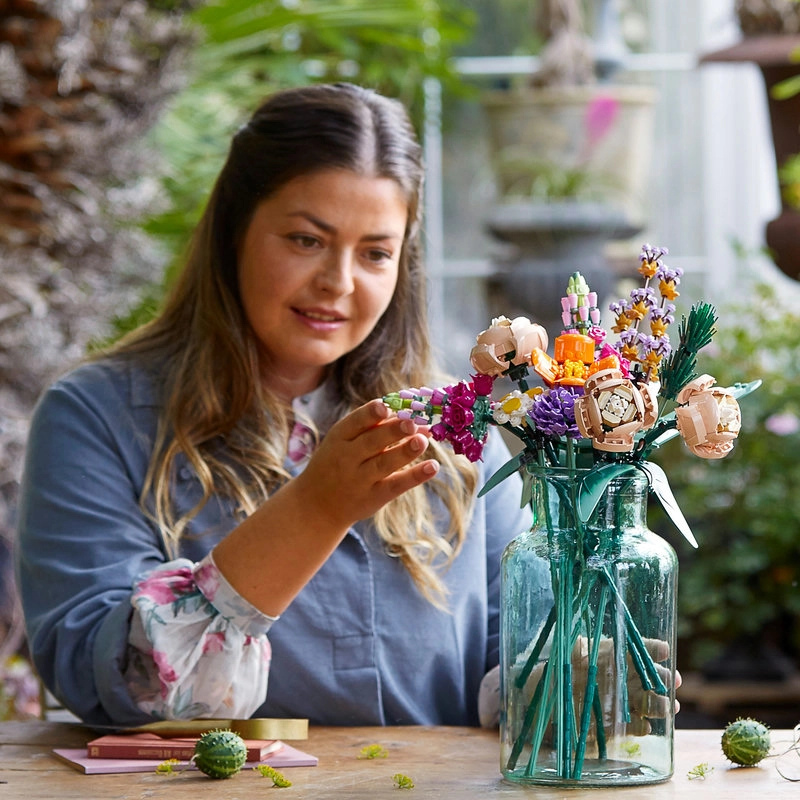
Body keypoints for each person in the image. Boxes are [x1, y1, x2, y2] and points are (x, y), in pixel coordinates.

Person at [15, 82, 531, 728]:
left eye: (375, 253)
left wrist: (581, 677)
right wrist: (317, 509)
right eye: (305, 240)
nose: (338, 283)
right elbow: (114, 683)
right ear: (235, 231)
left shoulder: (459, 432)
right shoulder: (95, 418)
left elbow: (514, 661)